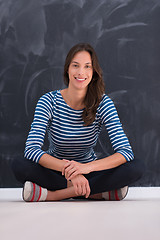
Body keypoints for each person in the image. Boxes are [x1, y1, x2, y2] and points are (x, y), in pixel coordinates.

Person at [12, 43, 144, 202]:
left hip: (90, 170)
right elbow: (32, 149)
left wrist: (85, 168)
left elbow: (125, 152)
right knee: (19, 164)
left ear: (94, 72)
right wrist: (71, 172)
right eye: (75, 66)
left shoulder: (103, 103)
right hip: (55, 169)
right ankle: (98, 193)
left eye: (87, 66)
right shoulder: (48, 101)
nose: (81, 72)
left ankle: (54, 195)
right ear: (67, 69)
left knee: (136, 167)